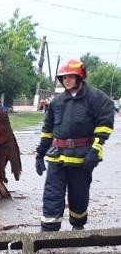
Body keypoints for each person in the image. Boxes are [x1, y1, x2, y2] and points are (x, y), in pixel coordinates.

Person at [34, 58, 114, 231]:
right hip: (57, 157)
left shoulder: (96, 98)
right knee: (52, 195)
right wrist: (40, 154)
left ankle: (78, 228)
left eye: (71, 77)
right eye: (63, 77)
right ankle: (48, 235)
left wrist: (96, 149)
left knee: (78, 197)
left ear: (80, 77)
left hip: (82, 158)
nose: (66, 80)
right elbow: (47, 130)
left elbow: (105, 125)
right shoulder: (57, 102)